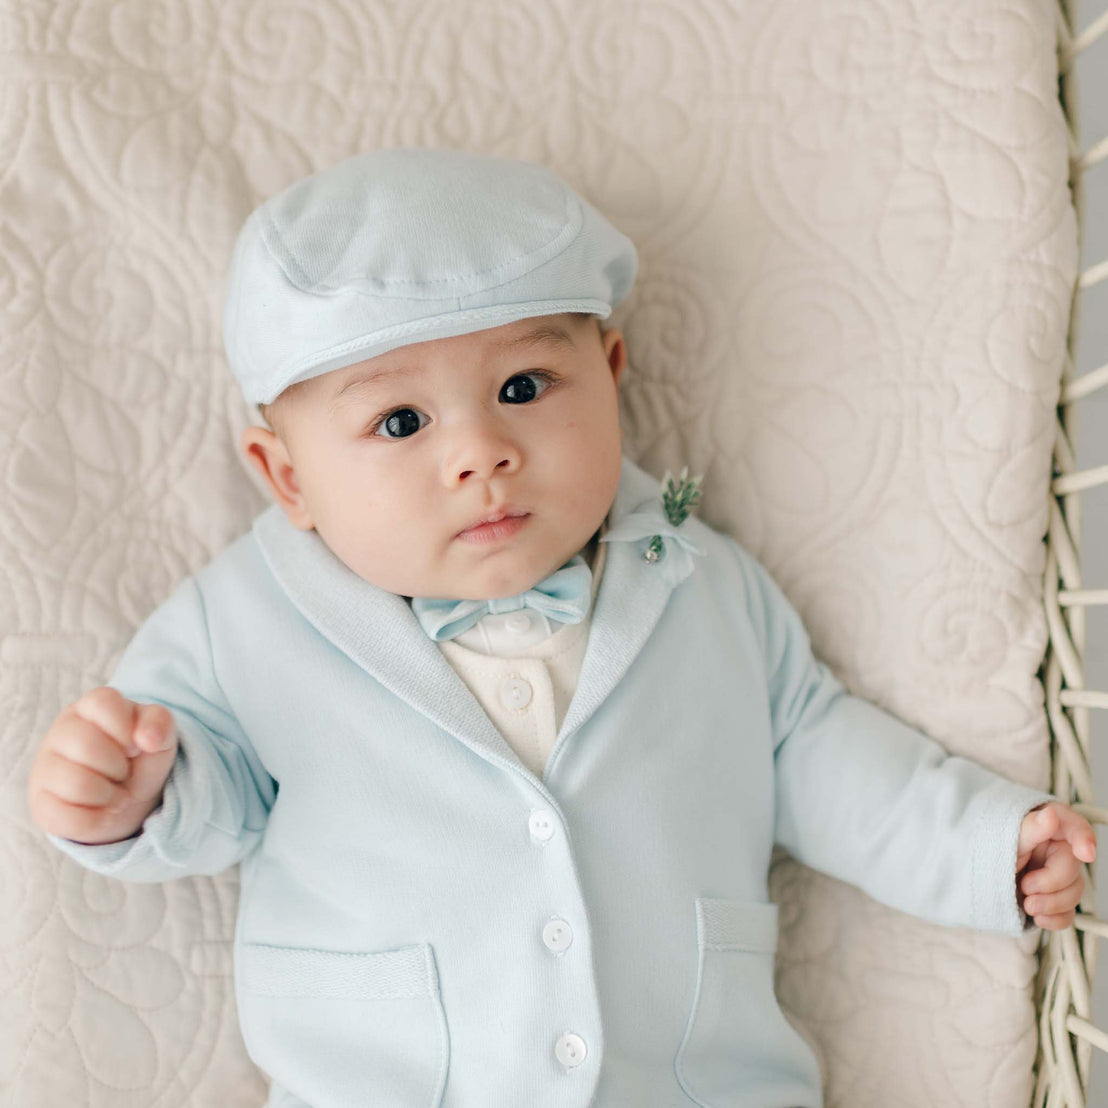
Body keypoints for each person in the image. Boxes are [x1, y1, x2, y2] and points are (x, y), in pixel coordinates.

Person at [25, 147, 1097, 1108]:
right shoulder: (238, 624)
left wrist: (975, 846)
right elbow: (207, 792)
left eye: (525, 385)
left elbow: (813, 747)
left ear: (613, 380)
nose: (480, 451)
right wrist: (133, 795)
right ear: (287, 476)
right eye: (400, 421)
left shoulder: (697, 580)